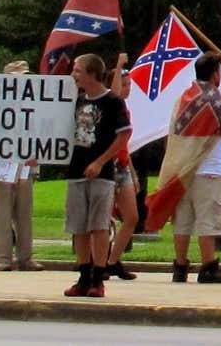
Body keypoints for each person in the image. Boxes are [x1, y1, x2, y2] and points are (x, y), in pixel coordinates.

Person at [64, 53, 132, 298]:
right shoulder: (77, 100)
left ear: (92, 73)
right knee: (79, 227)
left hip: (101, 173)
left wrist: (101, 161)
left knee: (99, 225)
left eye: (78, 70)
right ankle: (83, 275)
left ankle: (98, 276)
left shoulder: (112, 102)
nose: (74, 75)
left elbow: (123, 135)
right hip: (76, 169)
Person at [169, 51, 221, 285]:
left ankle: (180, 266)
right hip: (209, 169)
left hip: (183, 170)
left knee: (183, 221)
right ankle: (209, 266)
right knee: (208, 220)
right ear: (215, 73)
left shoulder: (183, 98)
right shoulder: (218, 99)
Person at [0, 60, 42, 273]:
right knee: (1, 213)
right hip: (0, 165)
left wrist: (38, 156)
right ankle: (2, 258)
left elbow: (40, 135)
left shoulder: (33, 107)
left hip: (25, 165)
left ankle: (26, 258)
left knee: (24, 213)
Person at [103, 63, 140, 282]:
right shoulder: (112, 104)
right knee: (105, 218)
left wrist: (133, 174)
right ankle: (99, 259)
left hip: (123, 165)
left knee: (131, 217)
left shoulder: (124, 108)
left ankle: (112, 260)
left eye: (129, 84)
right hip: (110, 164)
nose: (127, 88)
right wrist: (118, 66)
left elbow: (127, 144)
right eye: (124, 84)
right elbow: (115, 93)